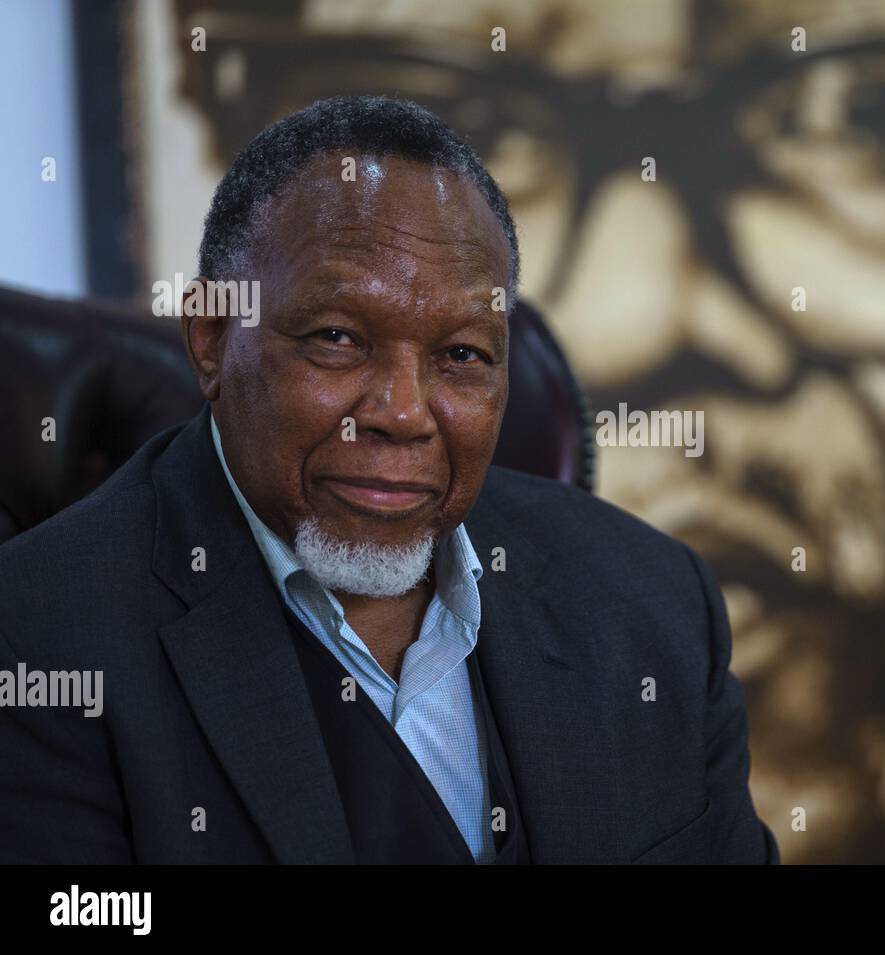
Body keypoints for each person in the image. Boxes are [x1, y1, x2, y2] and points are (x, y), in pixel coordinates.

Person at [0, 95, 778, 864]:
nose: (402, 413)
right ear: (210, 339)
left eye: (463, 355)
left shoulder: (653, 604)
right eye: (337, 338)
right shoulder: (39, 641)